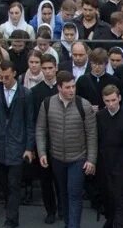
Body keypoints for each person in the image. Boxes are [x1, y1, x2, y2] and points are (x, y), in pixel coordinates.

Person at [35, 71, 98, 228]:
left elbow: (92, 134)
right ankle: (69, 223)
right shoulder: (47, 103)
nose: (72, 90)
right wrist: (42, 152)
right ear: (59, 88)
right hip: (56, 157)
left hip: (78, 158)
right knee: (63, 194)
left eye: (73, 86)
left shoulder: (83, 105)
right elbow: (41, 129)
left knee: (74, 194)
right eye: (68, 87)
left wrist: (91, 160)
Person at [0, 61, 37, 228]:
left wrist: (28, 148)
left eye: (6, 77)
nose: (3, 80)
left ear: (14, 74)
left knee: (14, 184)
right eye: (1, 77)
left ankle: (12, 219)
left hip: (16, 145)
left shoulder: (25, 94)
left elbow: (29, 123)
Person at [97, 84, 123, 228]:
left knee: (122, 197)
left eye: (113, 100)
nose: (111, 104)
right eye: (107, 101)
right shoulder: (100, 116)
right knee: (108, 195)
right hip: (105, 162)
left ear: (119, 98)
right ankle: (111, 220)